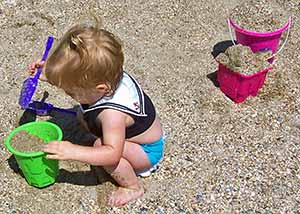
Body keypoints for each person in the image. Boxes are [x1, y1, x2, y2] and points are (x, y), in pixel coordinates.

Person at [28, 20, 164, 206]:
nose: (69, 94)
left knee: (101, 147)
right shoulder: (107, 74)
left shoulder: (111, 115)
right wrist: (50, 74)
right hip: (136, 137)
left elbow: (112, 155)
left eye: (71, 92)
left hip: (147, 152)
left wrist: (73, 151)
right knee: (81, 114)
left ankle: (133, 186)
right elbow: (75, 76)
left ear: (100, 89)